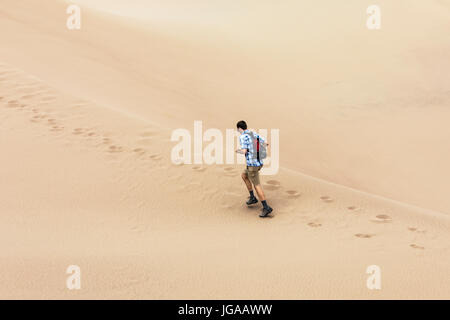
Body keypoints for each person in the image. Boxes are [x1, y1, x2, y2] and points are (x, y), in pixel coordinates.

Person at [235, 120, 273, 218]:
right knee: (244, 175)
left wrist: (238, 151)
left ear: (239, 128)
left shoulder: (243, 136)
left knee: (257, 185)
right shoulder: (253, 133)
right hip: (259, 163)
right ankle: (252, 197)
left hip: (252, 165)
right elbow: (266, 144)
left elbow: (244, 151)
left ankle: (266, 207)